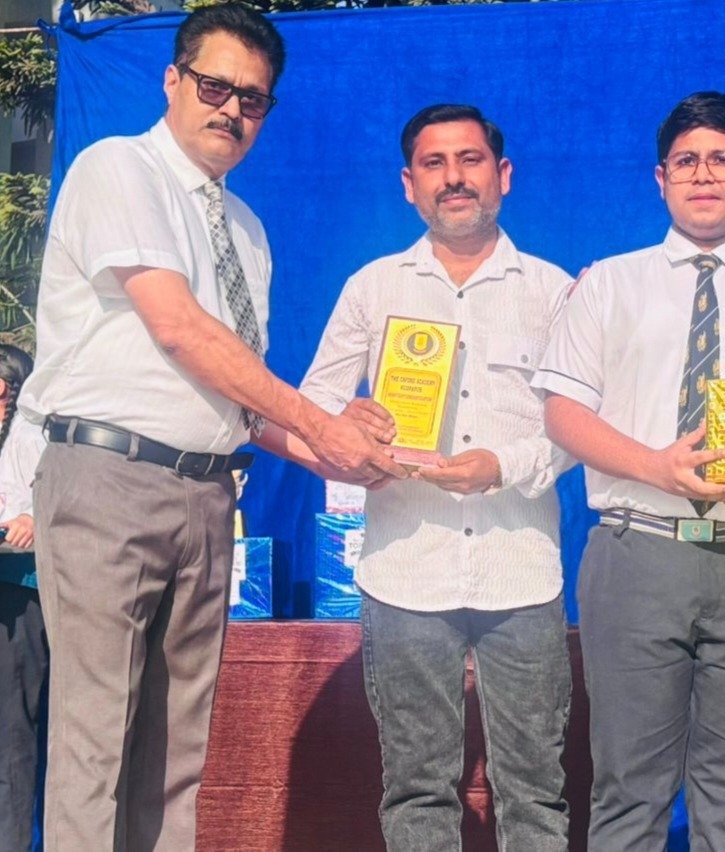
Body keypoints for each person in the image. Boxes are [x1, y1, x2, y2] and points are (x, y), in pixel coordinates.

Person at [18, 7, 404, 849]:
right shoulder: (118, 167)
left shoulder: (248, 233)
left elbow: (243, 399)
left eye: (252, 99)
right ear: (173, 80)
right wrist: (323, 424)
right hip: (109, 484)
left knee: (178, 755)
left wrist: (352, 459)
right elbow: (180, 330)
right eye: (215, 86)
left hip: (207, 497)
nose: (231, 109)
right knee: (95, 745)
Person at [533, 91, 725, 850]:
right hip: (638, 551)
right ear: (660, 178)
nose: (704, 175)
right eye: (687, 161)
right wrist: (658, 467)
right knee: (629, 792)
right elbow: (563, 414)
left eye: (723, 160)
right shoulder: (609, 283)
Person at [300, 104, 574, 850]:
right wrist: (347, 427)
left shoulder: (553, 291)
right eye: (434, 163)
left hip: (522, 573)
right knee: (416, 790)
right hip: (406, 575)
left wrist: (503, 466)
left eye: (470, 160)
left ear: (503, 174)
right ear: (409, 184)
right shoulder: (373, 287)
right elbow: (313, 406)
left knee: (535, 793)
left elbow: (580, 428)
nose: (454, 177)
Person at [0, 345, 42, 852]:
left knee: (12, 732)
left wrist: (32, 516)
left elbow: (52, 496)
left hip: (17, 591)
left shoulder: (33, 436)